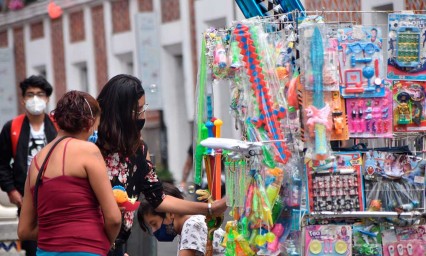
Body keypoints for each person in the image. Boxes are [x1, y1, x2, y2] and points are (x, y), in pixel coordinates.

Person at [96, 74, 227, 256]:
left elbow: (159, 198)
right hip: (89, 245)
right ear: (118, 112)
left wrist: (209, 209)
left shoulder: (138, 150)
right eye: (136, 111)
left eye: (143, 109)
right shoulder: (91, 147)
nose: (142, 116)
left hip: (116, 245)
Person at [17, 90, 122, 255]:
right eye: (96, 126)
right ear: (90, 122)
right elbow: (114, 219)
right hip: (87, 249)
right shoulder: (88, 151)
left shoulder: (36, 161)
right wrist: (104, 243)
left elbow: (23, 230)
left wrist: (58, 227)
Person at [0, 75, 57, 256]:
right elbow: (1, 163)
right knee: (33, 250)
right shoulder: (12, 127)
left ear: (47, 98)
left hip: (56, 199)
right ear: (23, 99)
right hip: (26, 202)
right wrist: (12, 191)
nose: (35, 99)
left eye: (40, 94)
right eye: (30, 94)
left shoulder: (57, 126)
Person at [137, 182, 225, 256]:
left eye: (154, 224)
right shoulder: (189, 226)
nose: (154, 230)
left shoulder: (191, 225)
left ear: (170, 213)